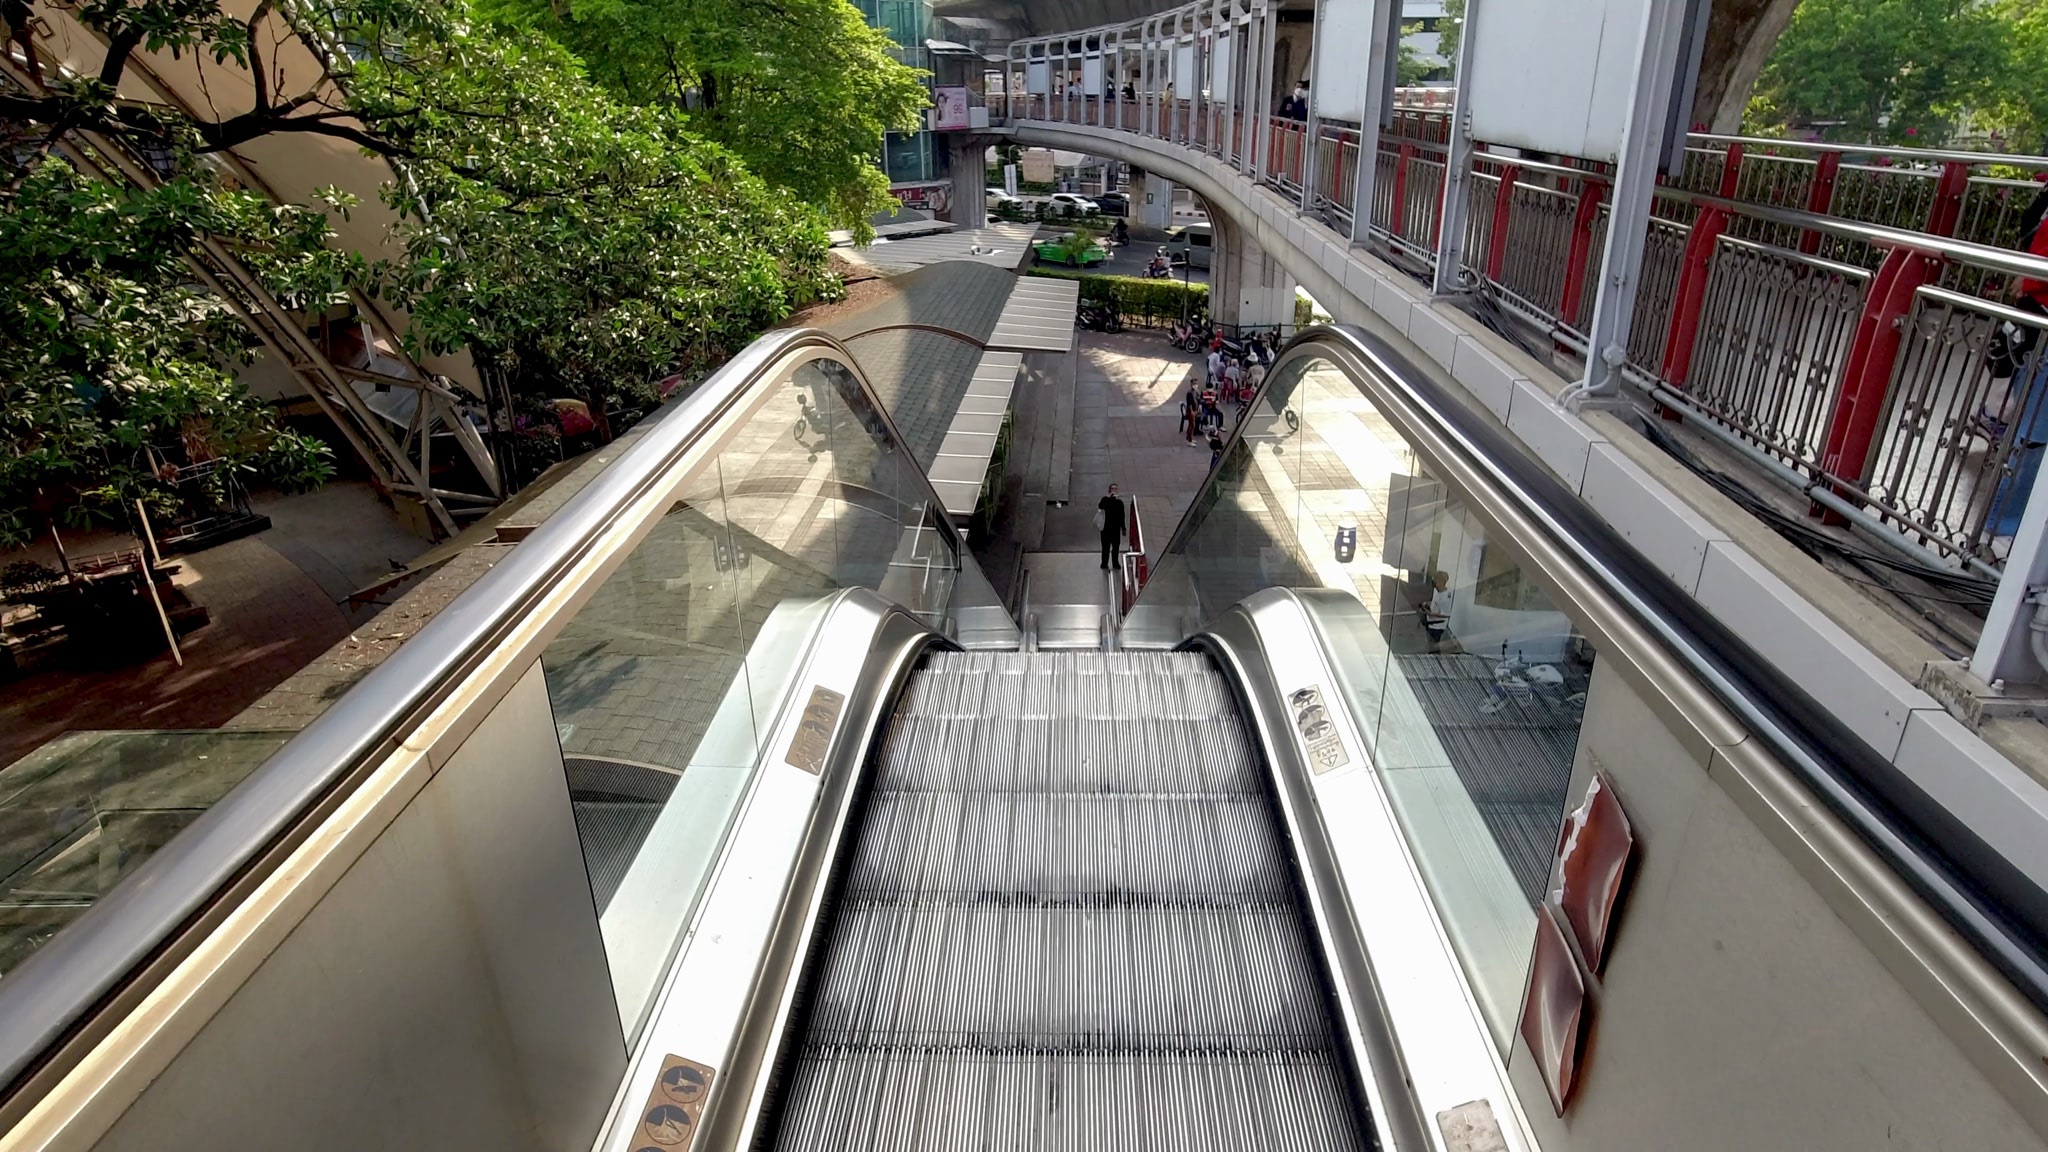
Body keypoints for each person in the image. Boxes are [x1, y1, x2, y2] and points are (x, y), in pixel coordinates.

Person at [1097, 483, 1127, 571]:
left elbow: (1122, 516)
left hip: (1115, 529)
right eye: (1113, 489)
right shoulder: (1105, 500)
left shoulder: (1119, 502)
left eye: (1116, 489)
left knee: (1115, 547)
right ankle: (1104, 563)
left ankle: (1115, 563)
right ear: (1109, 490)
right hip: (1105, 529)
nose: (1114, 491)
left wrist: (1123, 528)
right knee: (1105, 547)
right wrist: (1109, 497)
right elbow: (1100, 506)